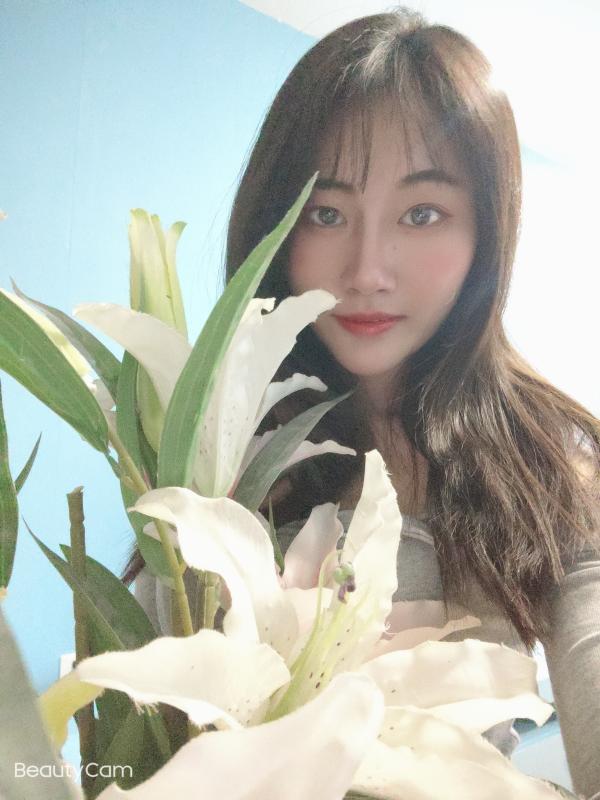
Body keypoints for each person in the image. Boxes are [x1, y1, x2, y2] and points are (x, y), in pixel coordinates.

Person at [223, 8, 600, 798]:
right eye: (326, 213)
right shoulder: (224, 454)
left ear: (487, 231)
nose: (367, 271)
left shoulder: (553, 467)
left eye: (422, 213)